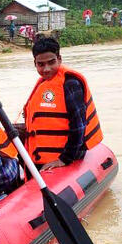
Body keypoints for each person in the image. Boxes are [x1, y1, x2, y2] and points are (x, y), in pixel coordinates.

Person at [23, 36, 104, 170]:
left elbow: (79, 125)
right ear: (35, 63)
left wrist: (64, 159)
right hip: (42, 155)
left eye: (51, 62)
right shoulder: (44, 83)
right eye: (41, 64)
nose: (46, 69)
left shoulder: (70, 84)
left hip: (65, 156)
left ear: (59, 59)